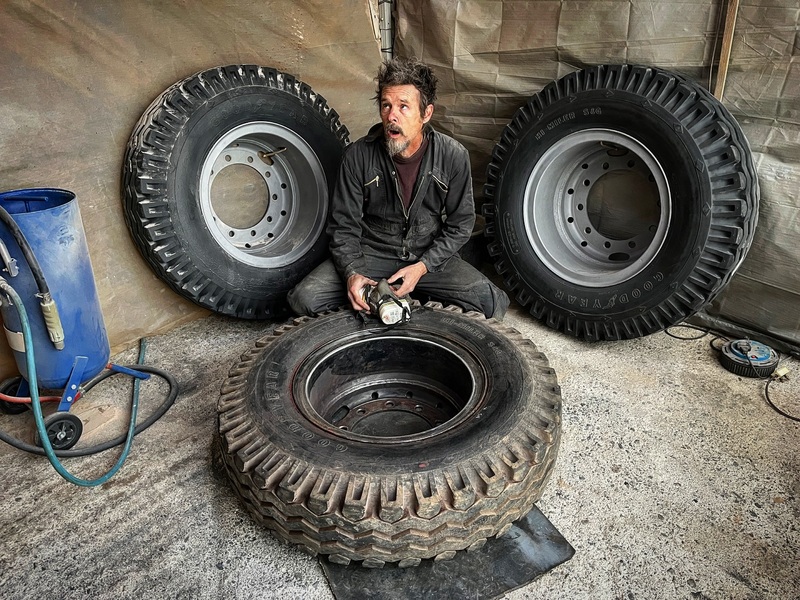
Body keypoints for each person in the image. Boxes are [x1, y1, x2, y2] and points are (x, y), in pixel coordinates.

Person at [287, 57, 509, 320]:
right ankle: (383, 297)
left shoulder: (452, 155)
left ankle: (407, 294)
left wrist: (423, 267)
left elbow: (461, 225)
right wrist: (353, 273)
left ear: (426, 113)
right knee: (304, 298)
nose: (391, 116)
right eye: (386, 105)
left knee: (491, 303)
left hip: (426, 254)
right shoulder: (357, 156)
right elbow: (343, 227)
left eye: (404, 107)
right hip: (371, 252)